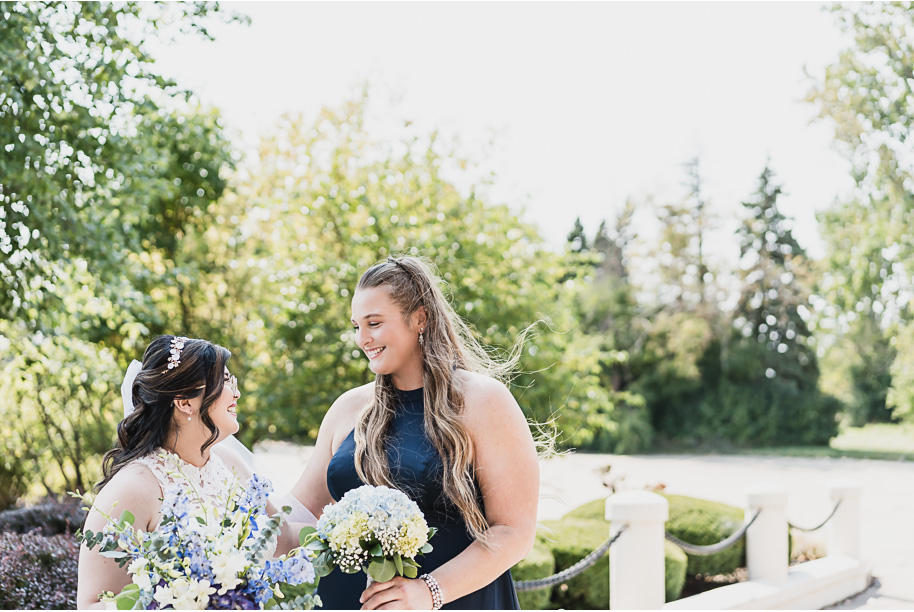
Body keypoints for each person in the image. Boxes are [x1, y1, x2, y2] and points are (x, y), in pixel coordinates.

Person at [291, 256, 540, 610]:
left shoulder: (484, 402)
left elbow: (515, 532)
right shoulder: (348, 408)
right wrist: (216, 467)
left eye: (374, 323)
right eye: (356, 326)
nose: (362, 339)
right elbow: (300, 513)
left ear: (419, 318)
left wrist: (427, 592)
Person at [76, 335, 305, 610]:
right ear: (185, 401)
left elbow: (286, 540)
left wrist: (347, 532)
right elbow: (92, 604)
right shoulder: (133, 487)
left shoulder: (229, 463)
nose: (237, 392)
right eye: (226, 381)